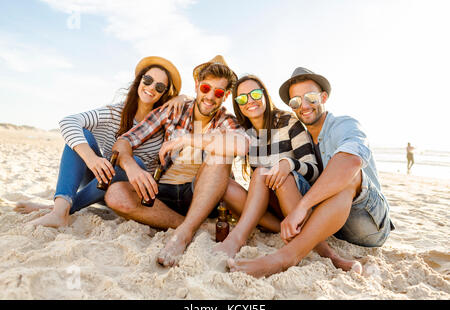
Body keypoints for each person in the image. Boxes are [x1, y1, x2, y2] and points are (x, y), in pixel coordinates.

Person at [227, 67, 395, 278]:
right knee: (270, 174)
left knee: (346, 173)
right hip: (329, 225)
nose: (304, 106)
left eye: (311, 98)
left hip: (366, 222)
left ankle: (286, 256)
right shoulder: (263, 134)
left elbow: (351, 161)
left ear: (324, 97)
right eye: (296, 102)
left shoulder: (343, 125)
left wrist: (302, 206)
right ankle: (323, 251)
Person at [105, 55, 250, 267]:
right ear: (197, 85)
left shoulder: (226, 120)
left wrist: (187, 139)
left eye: (218, 92)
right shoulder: (175, 109)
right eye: (206, 88)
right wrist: (131, 167)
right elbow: (124, 141)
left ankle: (183, 234)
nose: (210, 96)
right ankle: (191, 226)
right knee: (115, 194)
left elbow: (242, 145)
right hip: (165, 191)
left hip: (202, 193)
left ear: (226, 95)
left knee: (221, 151)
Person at [213, 74, 362, 273]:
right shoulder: (246, 134)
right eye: (241, 99)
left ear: (265, 95)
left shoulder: (288, 121)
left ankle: (327, 253)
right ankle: (282, 232)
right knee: (230, 184)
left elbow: (314, 170)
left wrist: (288, 163)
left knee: (265, 173)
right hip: (272, 205)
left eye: (255, 94)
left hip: (295, 195)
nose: (249, 101)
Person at [14, 56, 185, 228]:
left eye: (160, 86)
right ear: (139, 80)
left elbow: (199, 106)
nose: (151, 88)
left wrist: (182, 98)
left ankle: (60, 209)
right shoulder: (115, 112)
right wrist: (91, 158)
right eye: (147, 80)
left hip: (129, 189)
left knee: (136, 162)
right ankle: (59, 212)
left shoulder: (164, 119)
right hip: (99, 183)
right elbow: (68, 122)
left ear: (165, 93)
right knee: (83, 135)